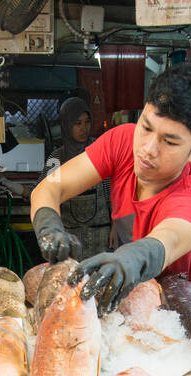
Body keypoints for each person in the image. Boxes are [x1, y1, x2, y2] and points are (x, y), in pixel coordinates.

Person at [29, 62, 191, 311]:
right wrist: (49, 226)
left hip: (176, 312)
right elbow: (50, 186)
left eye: (170, 142)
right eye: (146, 127)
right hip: (127, 302)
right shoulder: (122, 141)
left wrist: (131, 257)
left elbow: (171, 238)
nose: (147, 150)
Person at [42, 96, 112, 258]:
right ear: (66, 125)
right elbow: (47, 194)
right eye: (77, 123)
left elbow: (112, 192)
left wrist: (115, 227)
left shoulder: (99, 150)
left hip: (100, 235)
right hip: (70, 237)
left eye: (87, 122)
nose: (84, 128)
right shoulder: (56, 157)